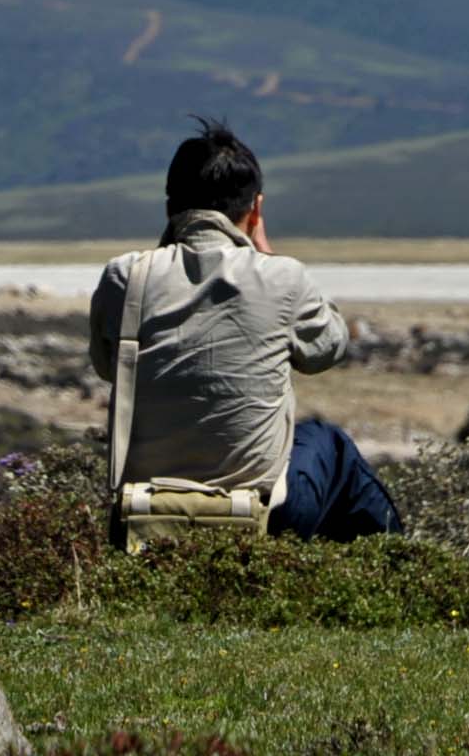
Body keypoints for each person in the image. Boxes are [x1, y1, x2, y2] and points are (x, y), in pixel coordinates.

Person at [91, 118, 399, 542]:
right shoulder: (281, 278)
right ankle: (387, 572)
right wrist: (267, 253)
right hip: (262, 515)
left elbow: (110, 368)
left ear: (169, 208)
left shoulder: (125, 278)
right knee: (330, 444)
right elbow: (328, 348)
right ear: (255, 209)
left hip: (143, 514)